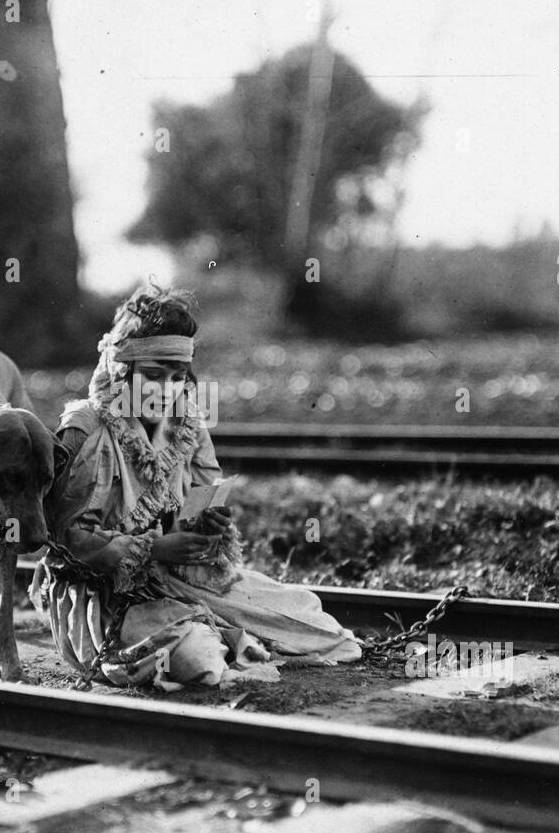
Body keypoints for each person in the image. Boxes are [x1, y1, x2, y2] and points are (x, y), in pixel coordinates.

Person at [30, 287, 362, 690]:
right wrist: (153, 549)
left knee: (315, 625)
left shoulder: (187, 423)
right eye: (153, 376)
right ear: (122, 371)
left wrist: (211, 527)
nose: (167, 390)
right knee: (197, 657)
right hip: (107, 598)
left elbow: (205, 493)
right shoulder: (87, 429)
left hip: (183, 578)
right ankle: (223, 638)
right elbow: (66, 543)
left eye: (177, 378)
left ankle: (233, 635)